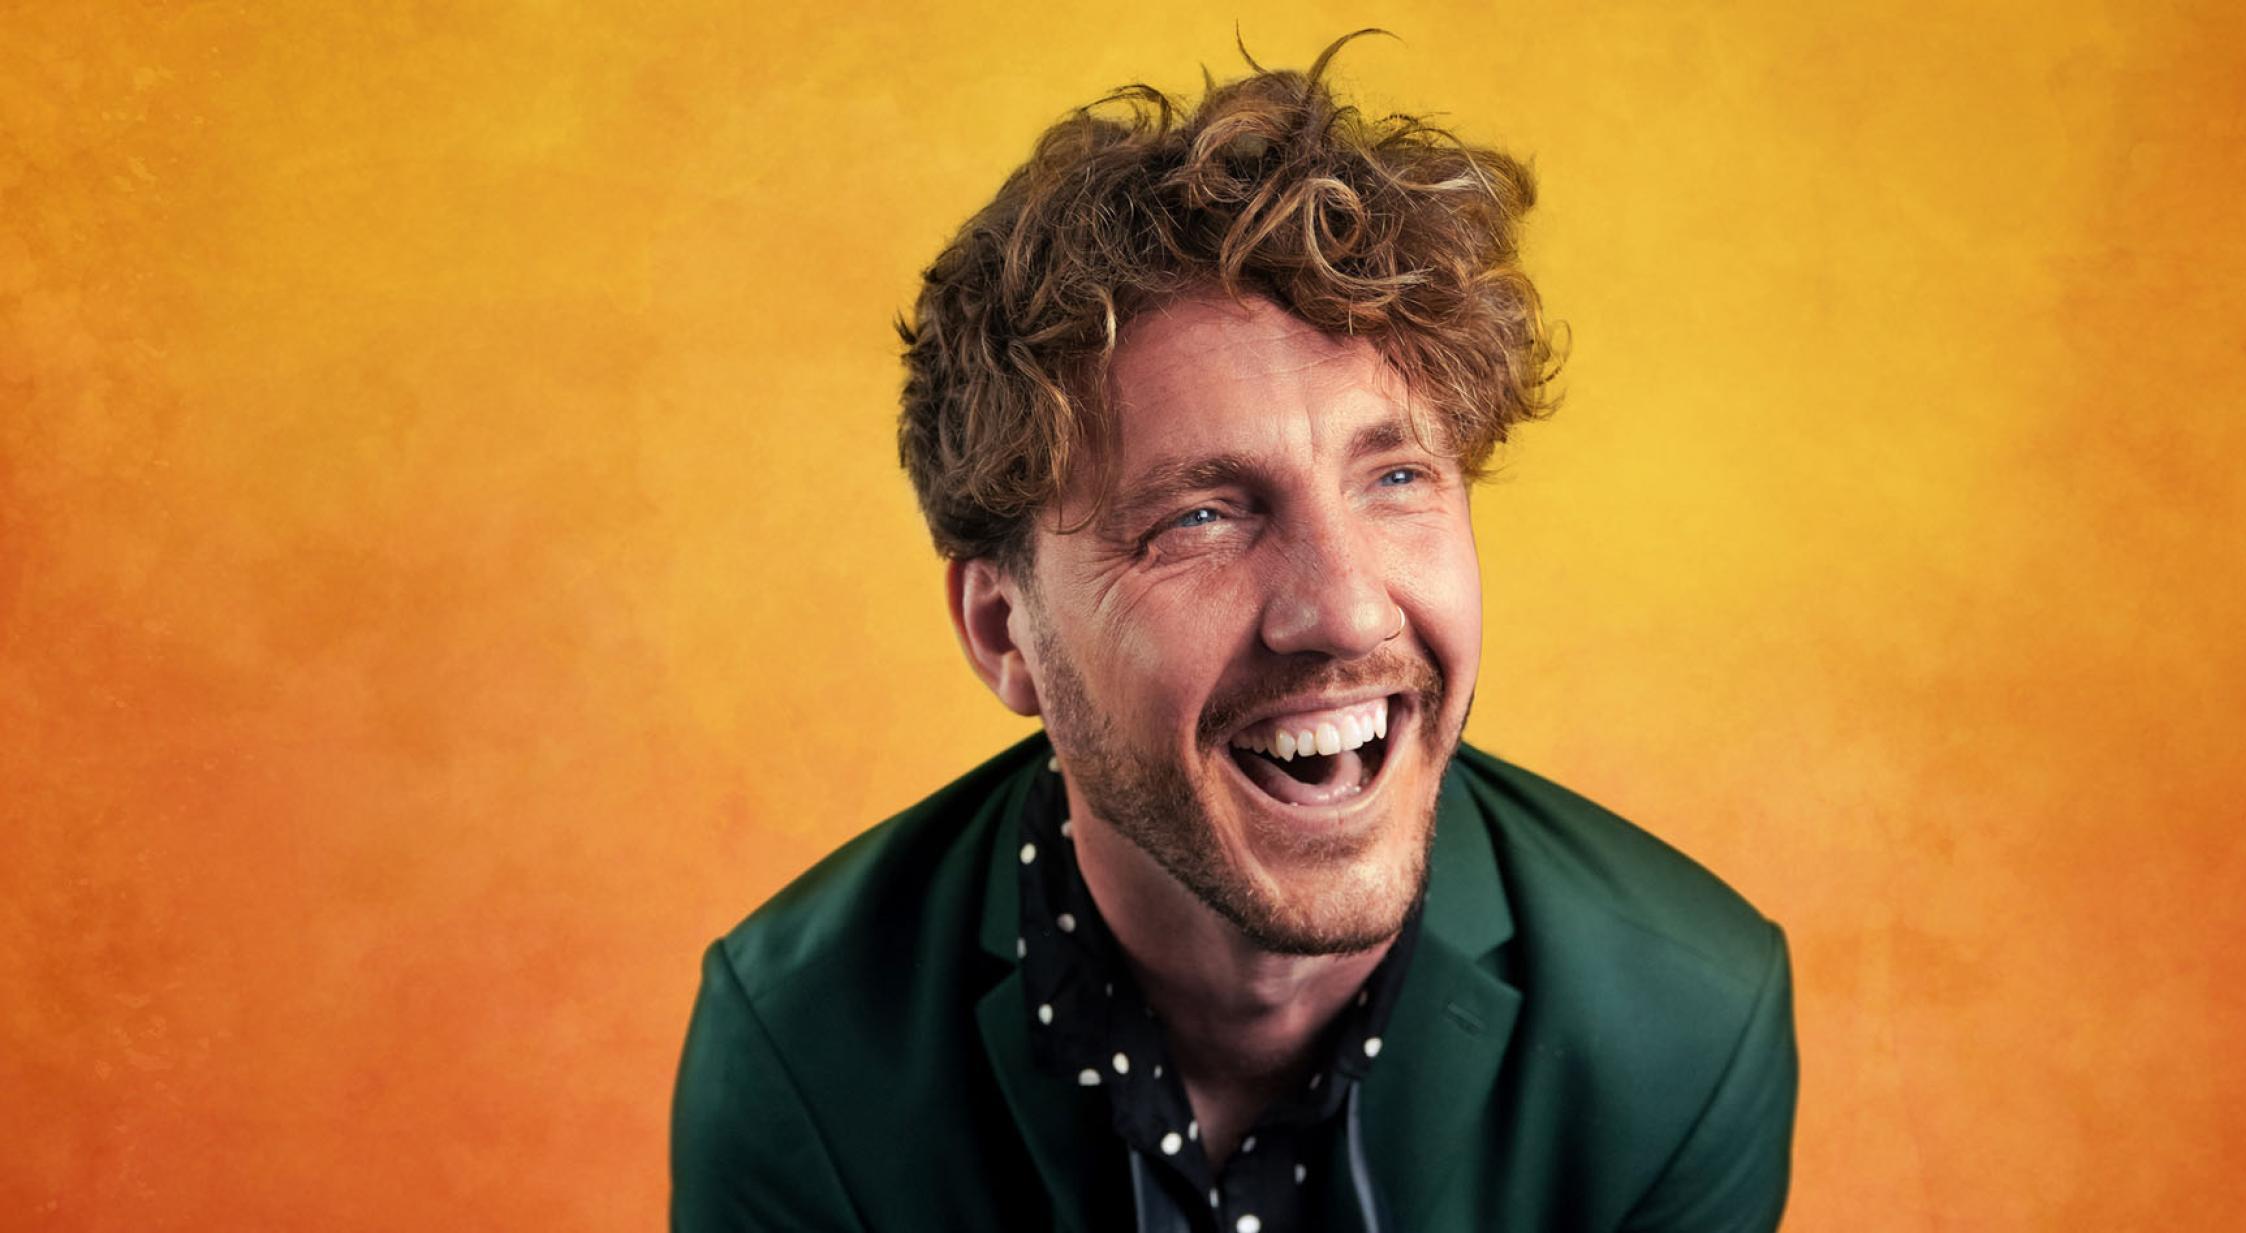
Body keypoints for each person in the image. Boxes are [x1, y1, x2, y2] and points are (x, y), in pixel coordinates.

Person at [671, 33, 1797, 1233]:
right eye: (1201, 515)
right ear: (1005, 630)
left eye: (1398, 478)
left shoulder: (1683, 1029)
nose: (1349, 609)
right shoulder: (798, 1055)